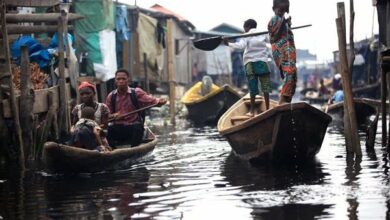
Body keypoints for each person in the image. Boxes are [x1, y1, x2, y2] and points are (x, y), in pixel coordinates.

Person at [105, 68, 167, 147]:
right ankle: (112, 149)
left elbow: (151, 100)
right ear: (115, 81)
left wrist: (159, 101)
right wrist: (114, 116)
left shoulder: (136, 92)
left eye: (123, 79)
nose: (121, 81)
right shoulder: (111, 96)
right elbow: (106, 116)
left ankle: (134, 148)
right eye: (118, 79)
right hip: (119, 128)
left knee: (138, 127)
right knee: (107, 130)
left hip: (133, 127)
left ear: (128, 80)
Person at [223, 19, 272, 117]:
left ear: (247, 27)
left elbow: (241, 46)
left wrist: (228, 43)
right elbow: (272, 40)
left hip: (250, 63)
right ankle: (268, 109)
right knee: (265, 86)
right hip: (262, 62)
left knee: (252, 87)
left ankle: (252, 111)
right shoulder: (263, 34)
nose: (244, 30)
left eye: (244, 28)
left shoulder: (246, 35)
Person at [268, 0, 297, 104]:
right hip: (281, 50)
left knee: (292, 74)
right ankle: (283, 100)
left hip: (288, 50)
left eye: (284, 11)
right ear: (274, 9)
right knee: (289, 72)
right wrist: (283, 23)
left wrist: (288, 24)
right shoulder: (275, 19)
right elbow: (273, 38)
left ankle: (287, 99)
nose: (282, 12)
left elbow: (286, 34)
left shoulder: (282, 19)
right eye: (280, 10)